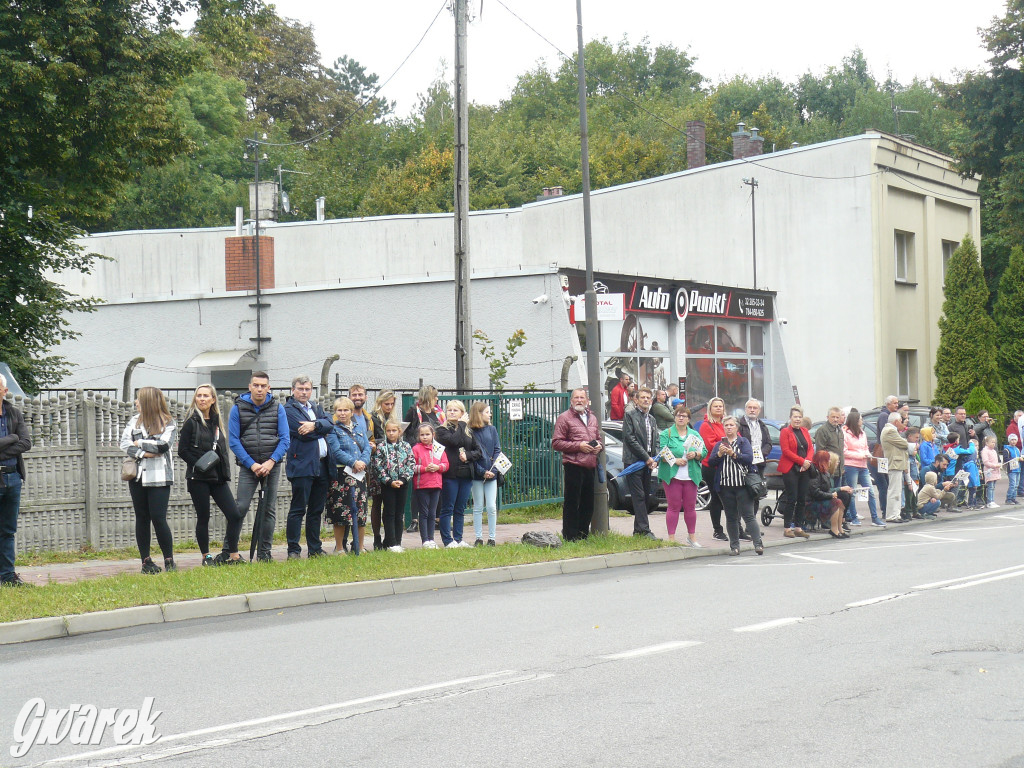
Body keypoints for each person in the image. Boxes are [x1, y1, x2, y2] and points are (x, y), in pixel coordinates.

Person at [178, 384, 245, 565]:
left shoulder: (216, 422)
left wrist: (224, 472)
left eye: (206, 396)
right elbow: (182, 451)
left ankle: (233, 555)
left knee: (234, 514)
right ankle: (206, 556)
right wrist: (200, 463)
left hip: (217, 477)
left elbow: (221, 451)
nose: (202, 399)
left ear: (213, 399)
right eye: (199, 396)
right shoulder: (191, 422)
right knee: (204, 517)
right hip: (198, 477)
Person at [228, 371, 289, 562]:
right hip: (249, 467)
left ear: (268, 388)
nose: (260, 389)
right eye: (256, 385)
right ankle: (230, 551)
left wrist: (271, 462)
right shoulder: (237, 408)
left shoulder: (278, 407)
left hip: (272, 465)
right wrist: (252, 465)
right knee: (240, 507)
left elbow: (285, 439)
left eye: (263, 386)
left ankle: (265, 553)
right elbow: (233, 441)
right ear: (250, 387)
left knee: (269, 509)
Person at [120, 387, 177, 574]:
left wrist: (139, 443)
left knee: (159, 518)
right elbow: (124, 444)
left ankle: (169, 560)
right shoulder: (133, 422)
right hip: (137, 476)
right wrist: (144, 452)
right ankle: (146, 562)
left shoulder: (168, 423)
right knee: (142, 518)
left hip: (160, 477)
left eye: (138, 399)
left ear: (148, 402)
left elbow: (163, 446)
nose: (136, 402)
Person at [283, 375, 334, 560]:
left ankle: (314, 548)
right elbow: (301, 434)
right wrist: (319, 428)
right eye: (300, 389)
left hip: (321, 465)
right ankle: (294, 550)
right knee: (298, 509)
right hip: (302, 465)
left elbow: (330, 424)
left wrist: (315, 425)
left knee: (316, 509)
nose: (304, 392)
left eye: (307, 389)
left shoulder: (315, 407)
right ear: (293, 390)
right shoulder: (288, 410)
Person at [707, 416, 764, 556]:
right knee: (731, 517)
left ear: (737, 428)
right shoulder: (719, 444)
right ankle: (734, 547)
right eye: (726, 425)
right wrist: (720, 453)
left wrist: (733, 454)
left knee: (748, 515)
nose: (729, 427)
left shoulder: (743, 442)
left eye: (731, 425)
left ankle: (758, 544)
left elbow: (749, 459)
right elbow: (711, 462)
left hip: (743, 486)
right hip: (725, 486)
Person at [552, 388, 602, 541]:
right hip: (573, 464)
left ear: (587, 400)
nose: (579, 400)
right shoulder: (564, 418)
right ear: (571, 400)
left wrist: (599, 445)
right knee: (572, 502)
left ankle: (582, 535)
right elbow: (556, 443)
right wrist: (578, 446)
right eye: (576, 398)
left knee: (588, 503)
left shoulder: (592, 418)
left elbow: (598, 437)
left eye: (582, 398)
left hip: (590, 465)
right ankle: (570, 535)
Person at [325, 396, 371, 555]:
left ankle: (360, 545)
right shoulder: (332, 429)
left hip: (360, 474)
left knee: (360, 511)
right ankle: (339, 548)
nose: (342, 413)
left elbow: (367, 447)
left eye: (346, 410)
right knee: (341, 511)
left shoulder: (360, 427)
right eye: (339, 410)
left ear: (352, 412)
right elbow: (335, 451)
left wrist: (363, 462)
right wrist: (353, 462)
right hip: (342, 475)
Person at [657, 405, 707, 547]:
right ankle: (671, 539)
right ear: (674, 417)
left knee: (690, 507)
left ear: (688, 419)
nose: (680, 418)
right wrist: (675, 460)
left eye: (684, 416)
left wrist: (696, 454)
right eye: (678, 415)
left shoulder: (694, 434)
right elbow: (662, 452)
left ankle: (692, 537)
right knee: (673, 507)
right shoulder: (667, 433)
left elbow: (703, 451)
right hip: (673, 476)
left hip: (691, 476)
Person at [435, 400, 481, 548]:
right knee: (448, 507)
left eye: (456, 410)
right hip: (451, 475)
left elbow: (478, 451)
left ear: (462, 413)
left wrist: (468, 455)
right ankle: (448, 540)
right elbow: (454, 442)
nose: (452, 412)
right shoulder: (442, 430)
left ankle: (459, 539)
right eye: (449, 410)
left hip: (466, 474)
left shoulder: (468, 431)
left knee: (460, 508)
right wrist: (461, 425)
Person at [0, 373, 32, 587]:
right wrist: (11, 439)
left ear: (4, 391)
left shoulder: (14, 413)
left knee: (8, 530)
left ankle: (7, 576)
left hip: (12, 477)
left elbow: (26, 442)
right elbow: (17, 440)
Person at [369, 419, 415, 551]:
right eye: (388, 431)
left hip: (402, 484)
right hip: (388, 485)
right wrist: (388, 480)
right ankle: (391, 542)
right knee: (389, 512)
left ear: (399, 432)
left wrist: (403, 479)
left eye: (394, 430)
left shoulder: (406, 446)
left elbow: (410, 463)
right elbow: (378, 465)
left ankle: (398, 542)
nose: (391, 433)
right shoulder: (382, 447)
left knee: (399, 513)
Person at [622, 386, 660, 539]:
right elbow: (630, 439)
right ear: (636, 400)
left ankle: (638, 530)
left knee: (645, 496)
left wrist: (655, 458)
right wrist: (646, 457)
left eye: (648, 398)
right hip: (634, 462)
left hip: (648, 463)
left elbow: (656, 440)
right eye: (642, 397)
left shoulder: (652, 419)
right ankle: (645, 530)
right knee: (638, 495)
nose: (645, 400)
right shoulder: (630, 416)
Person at [469, 401, 502, 546]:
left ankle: (492, 538)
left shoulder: (492, 429)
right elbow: (470, 454)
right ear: (479, 414)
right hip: (478, 475)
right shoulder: (469, 431)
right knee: (477, 506)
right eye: (487, 412)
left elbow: (497, 450)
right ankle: (478, 538)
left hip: (492, 475)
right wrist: (482, 472)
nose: (490, 414)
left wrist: (493, 470)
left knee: (491, 506)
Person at [778, 405, 813, 539]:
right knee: (792, 498)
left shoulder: (805, 431)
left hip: (804, 468)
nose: (797, 419)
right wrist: (801, 461)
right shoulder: (785, 432)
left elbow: (810, 448)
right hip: (791, 468)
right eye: (795, 417)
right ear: (790, 418)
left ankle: (798, 527)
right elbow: (786, 451)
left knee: (802, 499)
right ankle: (787, 528)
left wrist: (808, 461)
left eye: (799, 417)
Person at [369, 390, 398, 550]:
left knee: (390, 502)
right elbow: (370, 439)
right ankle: (376, 537)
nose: (389, 406)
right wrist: (386, 439)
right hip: (377, 463)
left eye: (392, 404)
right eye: (386, 404)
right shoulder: (373, 417)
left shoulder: (392, 418)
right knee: (377, 501)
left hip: (392, 463)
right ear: (380, 403)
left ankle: (390, 536)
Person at [411, 422, 447, 548]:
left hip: (436, 485)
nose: (425, 437)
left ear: (433, 435)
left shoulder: (438, 449)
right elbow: (411, 466)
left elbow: (446, 464)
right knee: (424, 513)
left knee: (433, 513)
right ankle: (424, 540)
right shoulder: (416, 449)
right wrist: (424, 469)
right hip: (422, 485)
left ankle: (431, 539)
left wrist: (438, 467)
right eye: (422, 435)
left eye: (427, 434)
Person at [843, 409, 881, 526]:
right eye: (860, 419)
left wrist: (868, 454)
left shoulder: (862, 433)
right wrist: (860, 455)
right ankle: (854, 518)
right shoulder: (845, 433)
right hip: (851, 465)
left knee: (870, 491)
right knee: (852, 492)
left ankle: (875, 518)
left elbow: (865, 447)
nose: (862, 421)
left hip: (863, 465)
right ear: (855, 420)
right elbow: (844, 451)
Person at [699, 397, 728, 541]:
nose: (718, 408)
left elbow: (737, 439)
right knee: (716, 498)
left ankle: (736, 529)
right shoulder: (706, 425)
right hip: (712, 466)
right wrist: (726, 444)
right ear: (710, 408)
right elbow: (711, 446)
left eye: (720, 406)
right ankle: (717, 530)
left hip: (727, 466)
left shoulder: (726, 424)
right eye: (715, 406)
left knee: (730, 498)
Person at [807, 451, 852, 538]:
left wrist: (832, 494)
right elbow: (815, 492)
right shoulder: (814, 473)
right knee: (836, 502)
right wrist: (831, 495)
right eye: (828, 460)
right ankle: (834, 529)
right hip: (810, 502)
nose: (830, 462)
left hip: (819, 499)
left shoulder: (825, 473)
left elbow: (827, 490)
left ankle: (839, 528)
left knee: (839, 500)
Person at [872, 395, 900, 515]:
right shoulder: (884, 416)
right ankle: (885, 509)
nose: (897, 405)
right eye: (894, 403)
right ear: (888, 404)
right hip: (882, 453)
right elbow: (886, 435)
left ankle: (889, 508)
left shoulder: (889, 415)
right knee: (884, 483)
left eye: (897, 403)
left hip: (886, 453)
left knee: (888, 483)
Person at [880, 412, 909, 522]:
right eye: (901, 421)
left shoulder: (889, 430)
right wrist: (906, 441)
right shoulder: (890, 430)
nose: (901, 424)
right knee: (894, 490)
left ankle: (896, 515)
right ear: (896, 421)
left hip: (896, 463)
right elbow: (904, 444)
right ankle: (892, 515)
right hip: (894, 463)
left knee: (896, 490)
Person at [981, 434, 1001, 508]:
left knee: (993, 486)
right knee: (990, 486)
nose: (994, 444)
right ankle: (989, 501)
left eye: (994, 442)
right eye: (992, 442)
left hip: (995, 471)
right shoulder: (985, 451)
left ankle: (992, 500)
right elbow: (986, 462)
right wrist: (995, 465)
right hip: (989, 471)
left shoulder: (994, 451)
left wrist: (998, 464)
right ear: (987, 443)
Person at [1003, 433, 1022, 505]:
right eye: (1012, 440)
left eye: (1015, 440)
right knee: (1012, 484)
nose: (1013, 441)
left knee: (1016, 484)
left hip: (1017, 469)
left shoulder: (1017, 449)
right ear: (1009, 441)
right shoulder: (1007, 449)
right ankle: (1009, 498)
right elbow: (1006, 459)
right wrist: (1016, 459)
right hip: (1011, 469)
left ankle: (1013, 498)